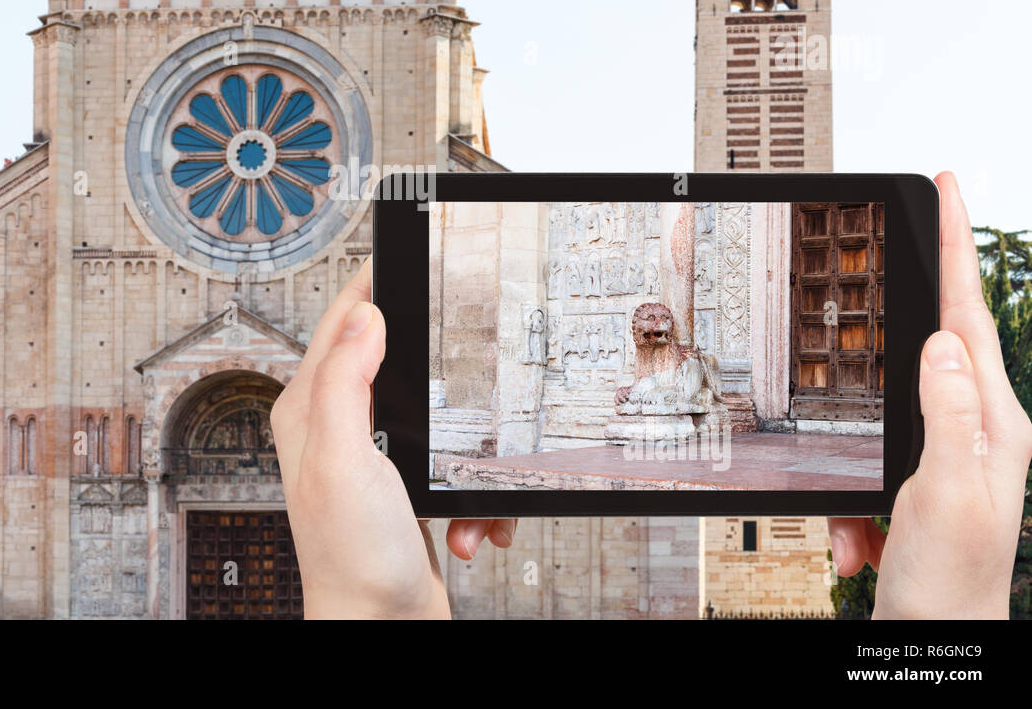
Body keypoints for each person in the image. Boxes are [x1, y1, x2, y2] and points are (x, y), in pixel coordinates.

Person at [270, 173, 1032, 619]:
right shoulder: (642, 354)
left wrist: (371, 609)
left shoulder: (693, 360)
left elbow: (694, 392)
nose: (653, 324)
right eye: (649, 320)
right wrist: (949, 628)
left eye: (657, 320)